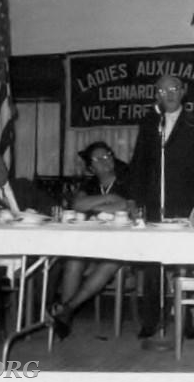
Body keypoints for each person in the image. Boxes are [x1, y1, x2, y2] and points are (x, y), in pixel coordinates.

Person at [129, 74, 194, 339]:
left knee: (183, 262)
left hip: (184, 202)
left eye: (173, 89)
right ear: (156, 94)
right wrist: (133, 198)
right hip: (153, 203)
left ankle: (185, 320)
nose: (167, 94)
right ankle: (151, 320)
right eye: (161, 90)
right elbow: (138, 163)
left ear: (183, 92)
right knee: (152, 264)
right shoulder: (149, 122)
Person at [0, 152, 58, 337]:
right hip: (1, 254)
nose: (1, 169)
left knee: (56, 260)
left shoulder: (23, 185)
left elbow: (52, 206)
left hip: (34, 245)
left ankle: (33, 316)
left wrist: (34, 214)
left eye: (2, 164)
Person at [51, 141, 132, 340]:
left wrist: (95, 206)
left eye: (107, 155)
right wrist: (109, 199)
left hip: (124, 246)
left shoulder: (127, 180)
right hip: (91, 245)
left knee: (111, 261)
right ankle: (66, 315)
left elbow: (126, 206)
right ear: (90, 167)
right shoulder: (90, 184)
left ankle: (67, 309)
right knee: (74, 260)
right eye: (98, 159)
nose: (105, 161)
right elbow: (77, 204)